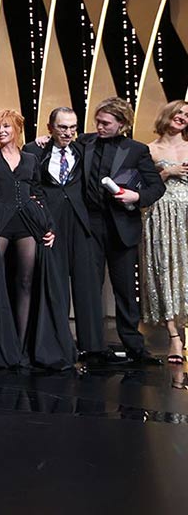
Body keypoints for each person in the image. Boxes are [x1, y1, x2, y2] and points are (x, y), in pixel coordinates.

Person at [0, 109, 75, 369]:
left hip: (27, 221)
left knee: (26, 282)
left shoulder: (30, 158)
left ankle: (20, 346)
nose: (2, 131)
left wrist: (48, 224)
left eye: (6, 126)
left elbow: (38, 193)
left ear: (17, 129)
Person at [23, 107, 123, 363]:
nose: (68, 133)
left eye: (72, 127)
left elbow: (105, 135)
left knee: (88, 284)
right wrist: (42, 220)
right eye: (62, 127)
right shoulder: (34, 150)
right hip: (51, 223)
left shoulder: (84, 148)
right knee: (54, 285)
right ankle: (59, 346)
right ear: (50, 128)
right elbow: (30, 186)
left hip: (81, 221)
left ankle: (94, 346)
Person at [80, 97, 166, 364]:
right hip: (90, 225)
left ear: (122, 123)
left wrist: (135, 196)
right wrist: (42, 141)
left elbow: (156, 187)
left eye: (106, 123)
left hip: (122, 226)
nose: (100, 127)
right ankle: (92, 346)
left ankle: (134, 346)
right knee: (89, 288)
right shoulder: (84, 142)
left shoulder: (136, 150)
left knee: (126, 289)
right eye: (98, 121)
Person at [140, 100, 188, 364]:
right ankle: (174, 337)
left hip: (186, 214)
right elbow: (142, 186)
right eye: (179, 112)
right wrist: (167, 172)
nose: (182, 117)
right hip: (161, 215)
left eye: (187, 115)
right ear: (167, 115)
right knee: (165, 271)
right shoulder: (149, 150)